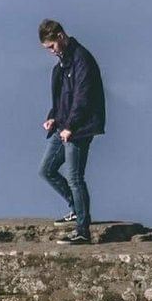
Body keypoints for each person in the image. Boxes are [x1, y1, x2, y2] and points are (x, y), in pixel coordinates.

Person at [37, 19, 106, 244]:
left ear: (60, 36)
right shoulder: (62, 64)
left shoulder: (81, 59)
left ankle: (83, 230)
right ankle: (76, 209)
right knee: (46, 169)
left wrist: (70, 127)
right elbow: (62, 99)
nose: (51, 52)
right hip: (64, 126)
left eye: (51, 47)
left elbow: (82, 98)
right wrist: (52, 118)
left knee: (75, 177)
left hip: (79, 128)